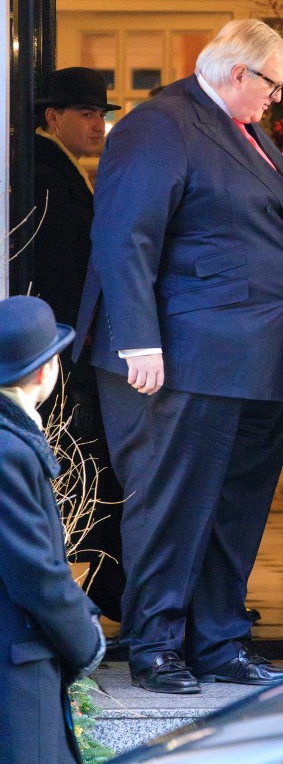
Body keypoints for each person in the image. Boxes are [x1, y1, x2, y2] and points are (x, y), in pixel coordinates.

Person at [73, 19, 283, 693]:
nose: (277, 99)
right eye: (273, 85)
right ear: (240, 74)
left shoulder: (247, 130)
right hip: (179, 356)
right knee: (172, 505)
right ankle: (154, 645)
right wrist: (137, 340)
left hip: (262, 356)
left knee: (234, 510)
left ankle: (219, 642)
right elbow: (125, 237)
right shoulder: (161, 124)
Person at [33, 66, 126, 624]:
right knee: (82, 469)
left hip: (68, 344)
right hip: (63, 348)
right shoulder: (45, 170)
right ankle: (91, 595)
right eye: (87, 114)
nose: (98, 124)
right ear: (53, 118)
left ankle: (101, 590)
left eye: (101, 114)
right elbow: (61, 269)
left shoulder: (56, 167)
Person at [0, 296, 105, 764]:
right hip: (17, 670)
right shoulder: (9, 450)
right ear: (45, 372)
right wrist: (86, 640)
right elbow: (37, 573)